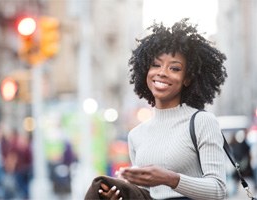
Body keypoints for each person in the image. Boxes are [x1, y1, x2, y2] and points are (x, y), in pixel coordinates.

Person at [84, 18, 228, 200]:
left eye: (175, 68)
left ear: (187, 78)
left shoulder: (201, 121)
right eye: (156, 64)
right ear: (145, 69)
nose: (162, 72)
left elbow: (218, 190)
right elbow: (147, 195)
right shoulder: (136, 135)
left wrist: (170, 179)